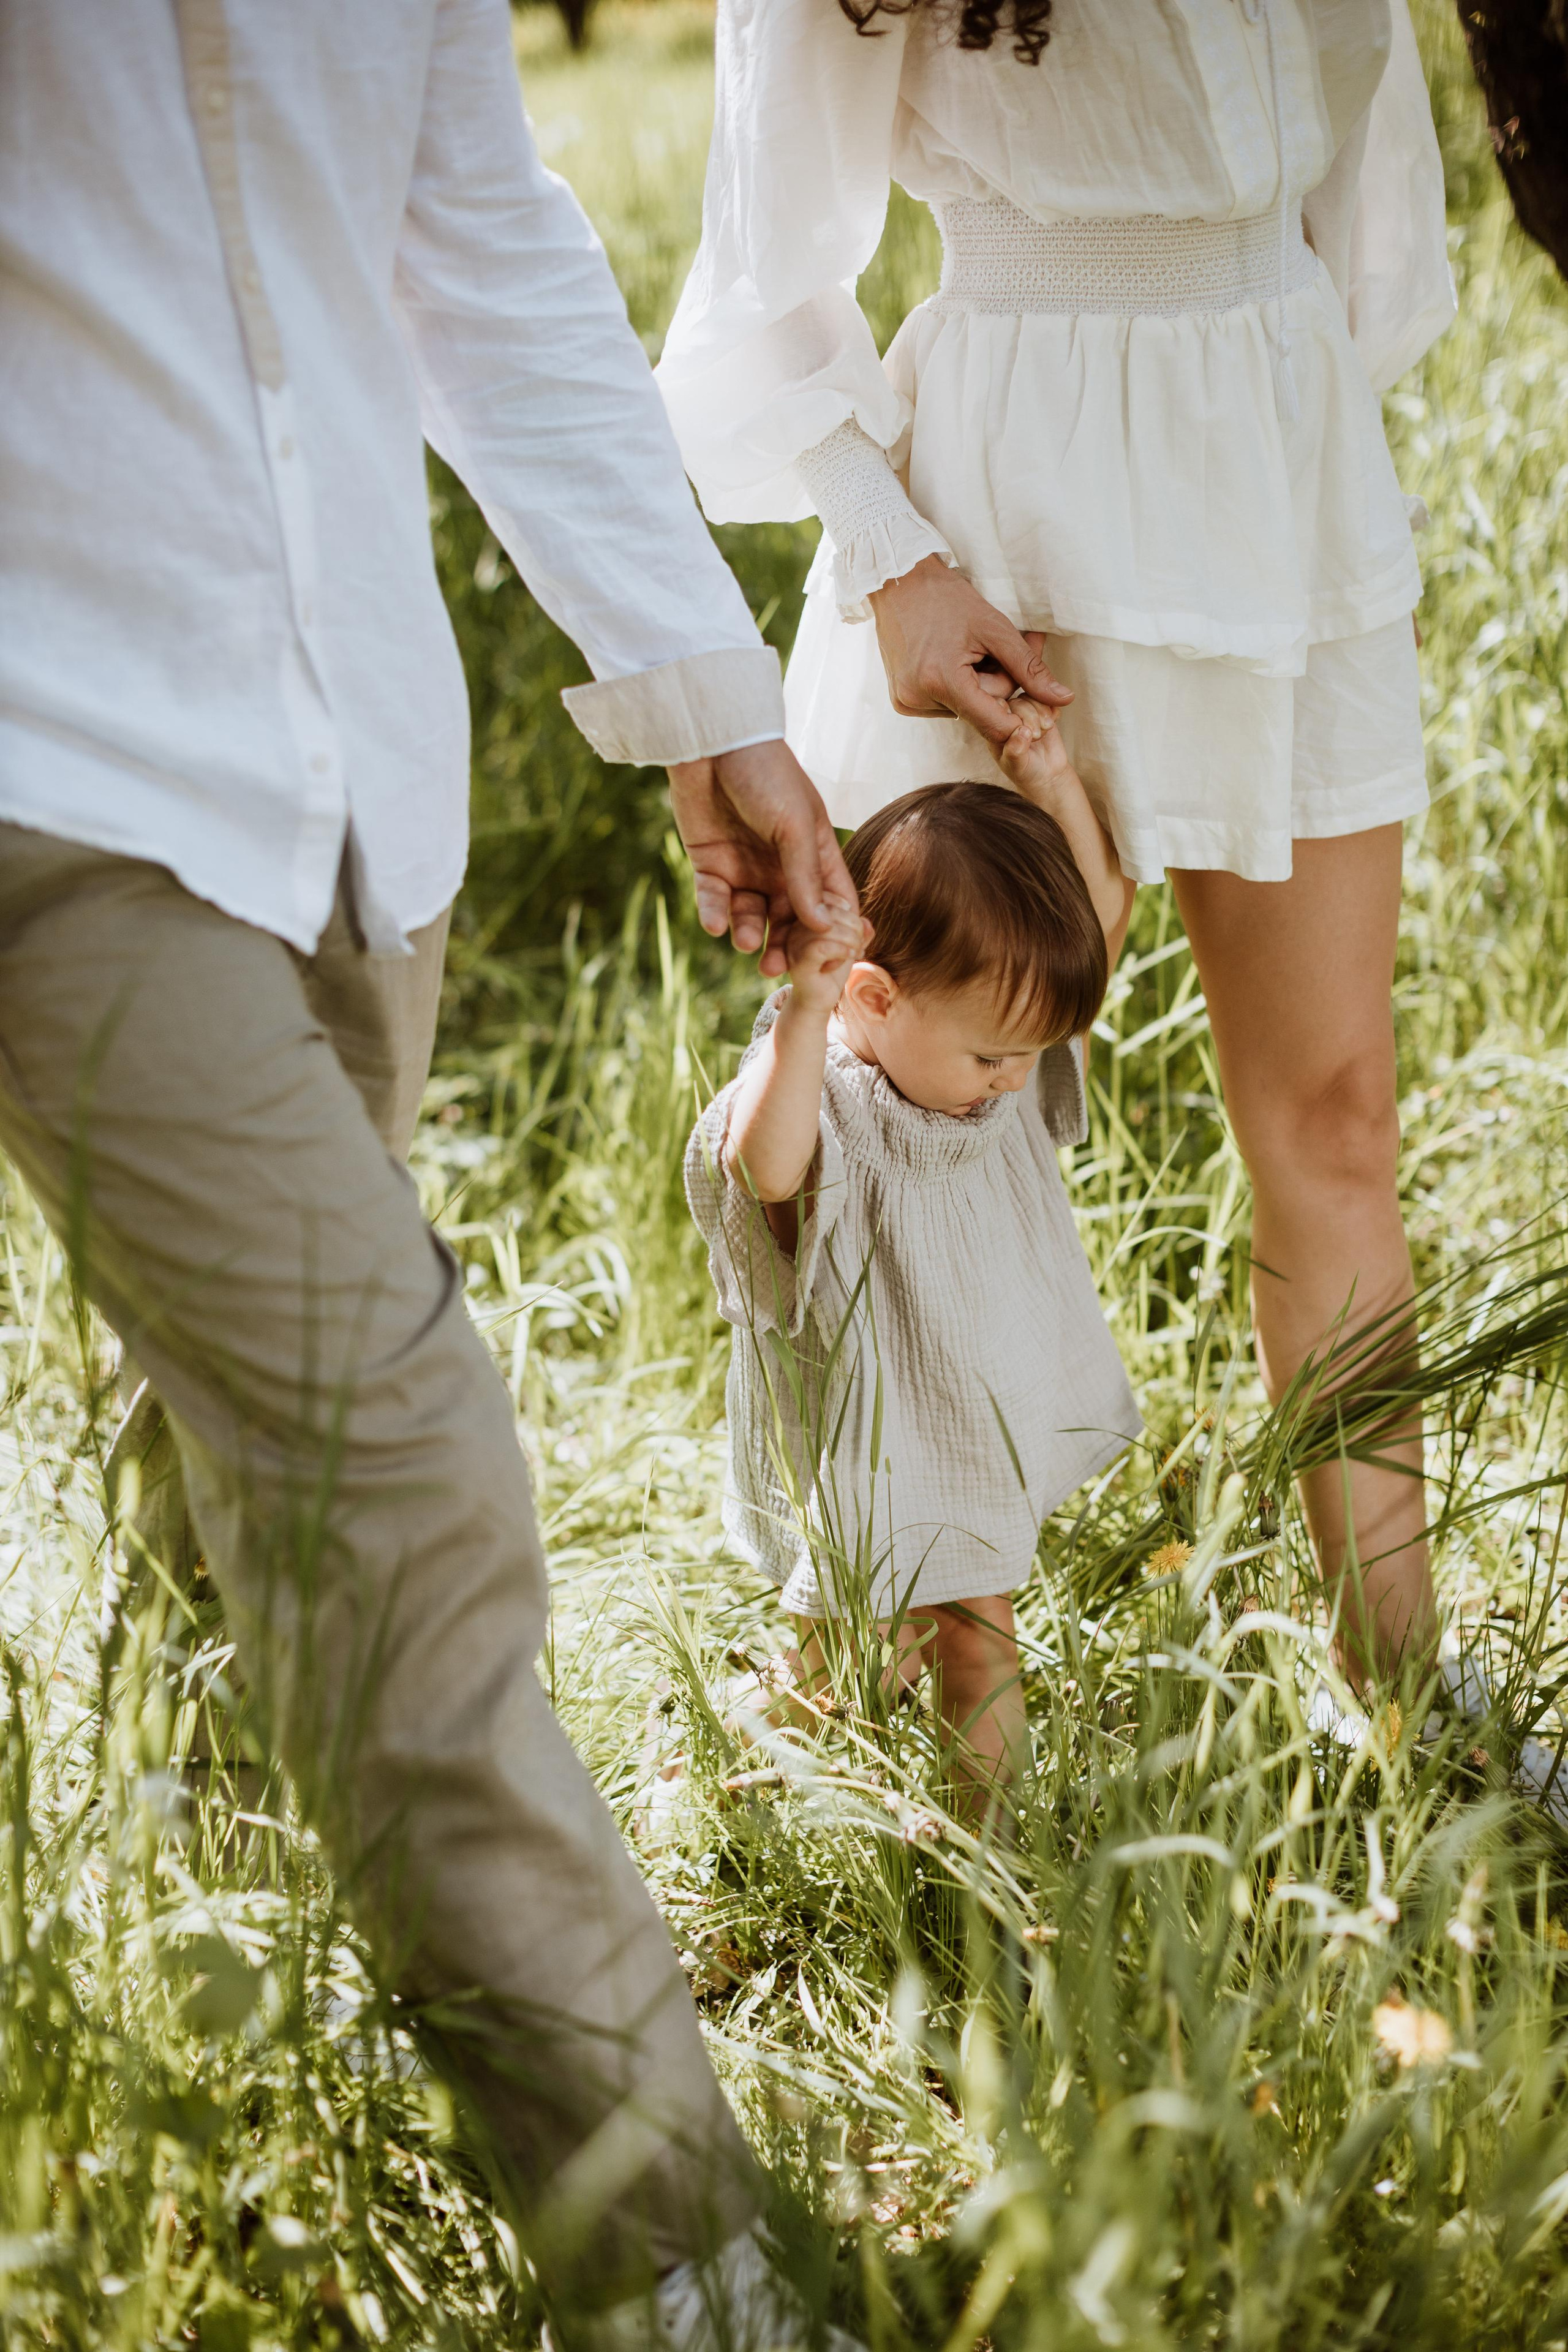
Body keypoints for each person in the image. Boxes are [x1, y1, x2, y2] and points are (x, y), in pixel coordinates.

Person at [0, 6, 864, 2348]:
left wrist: (706, 694)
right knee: (397, 1463)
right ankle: (672, 2256)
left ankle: (224, 1918)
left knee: (245, 1419)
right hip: (54, 761)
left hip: (354, 759)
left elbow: (475, 231)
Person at [657, 0, 1458, 1687]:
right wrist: (889, 554)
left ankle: (1406, 1702)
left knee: (1337, 1116)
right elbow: (765, 247)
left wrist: (1307, 442)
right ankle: (852, 1677)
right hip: (1002, 501)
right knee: (898, 1122)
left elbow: (1364, 181)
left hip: (1279, 455)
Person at [685, 702, 1140, 1806]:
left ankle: (987, 1864)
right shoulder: (825, 1090)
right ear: (873, 997)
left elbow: (1101, 921)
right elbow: (766, 1169)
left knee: (963, 1633)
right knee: (861, 1650)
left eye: (1030, 1052)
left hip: (964, 1422)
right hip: (872, 1436)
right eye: (994, 1056)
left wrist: (1055, 782)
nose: (1018, 1079)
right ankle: (726, 1784)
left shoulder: (989, 1055)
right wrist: (804, 1014)